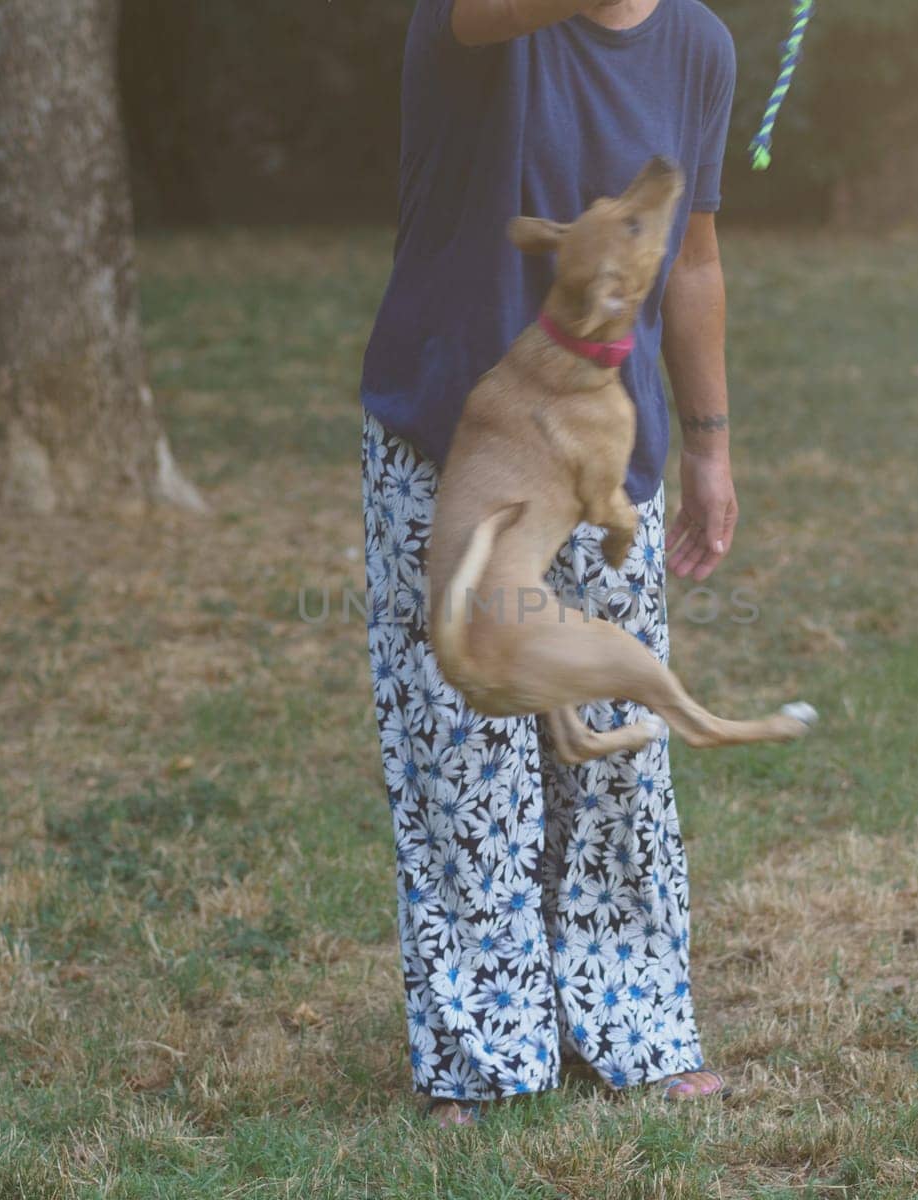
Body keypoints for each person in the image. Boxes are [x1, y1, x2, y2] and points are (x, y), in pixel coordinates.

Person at [358, 0, 740, 1127]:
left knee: (615, 747)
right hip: (455, 450)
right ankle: (481, 1056)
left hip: (606, 457)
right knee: (464, 756)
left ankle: (634, 1026)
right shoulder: (481, 21)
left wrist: (711, 445)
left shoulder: (697, 46)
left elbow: (693, 262)